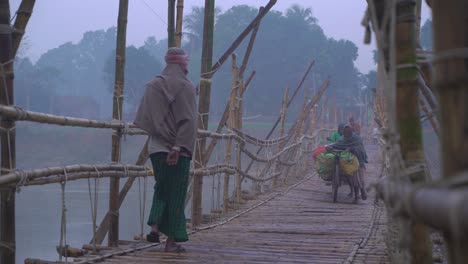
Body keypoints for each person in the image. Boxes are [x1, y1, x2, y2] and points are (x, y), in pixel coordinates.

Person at [134, 47, 197, 253]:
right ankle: (171, 241)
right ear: (182, 64)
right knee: (177, 193)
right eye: (186, 62)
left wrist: (162, 136)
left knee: (162, 187)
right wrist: (177, 146)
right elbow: (188, 121)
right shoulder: (186, 87)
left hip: (156, 147)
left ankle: (154, 226)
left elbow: (145, 118)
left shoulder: (153, 85)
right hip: (178, 149)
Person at [327, 125, 368, 200]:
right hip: (346, 159)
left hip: (358, 159)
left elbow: (361, 149)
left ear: (351, 133)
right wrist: (331, 147)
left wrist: (353, 149)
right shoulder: (343, 138)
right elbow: (338, 144)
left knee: (359, 175)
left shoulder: (357, 138)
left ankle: (362, 189)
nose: (346, 135)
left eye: (348, 133)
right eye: (345, 133)